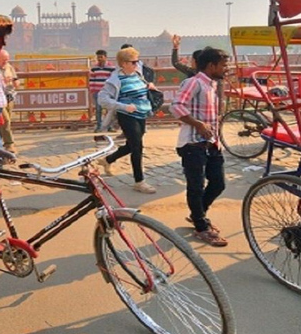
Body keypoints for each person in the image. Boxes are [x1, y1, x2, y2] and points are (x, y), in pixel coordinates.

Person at [170, 47, 230, 247]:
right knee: (195, 187)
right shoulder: (194, 82)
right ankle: (201, 226)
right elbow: (176, 106)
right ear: (211, 65)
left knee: (218, 183)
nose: (226, 69)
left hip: (211, 143)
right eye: (223, 65)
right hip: (193, 143)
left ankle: (198, 215)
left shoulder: (212, 85)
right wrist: (198, 124)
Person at [97, 47, 157, 194]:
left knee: (131, 145)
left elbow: (141, 89)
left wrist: (149, 86)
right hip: (127, 116)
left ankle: (108, 160)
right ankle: (139, 181)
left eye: (137, 61)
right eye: (133, 62)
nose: (137, 64)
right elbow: (102, 99)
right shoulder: (115, 80)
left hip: (141, 114)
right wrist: (123, 106)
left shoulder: (137, 74)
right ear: (123, 63)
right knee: (137, 147)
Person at [0, 50, 18, 152]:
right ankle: (9, 144)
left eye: (7, 60)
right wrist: (3, 82)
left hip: (10, 96)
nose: (6, 62)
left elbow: (15, 78)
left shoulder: (9, 66)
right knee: (6, 121)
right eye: (3, 60)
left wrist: (16, 82)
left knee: (4, 122)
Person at [88, 49, 116, 132]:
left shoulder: (111, 68)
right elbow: (92, 79)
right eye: (98, 57)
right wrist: (92, 90)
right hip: (97, 91)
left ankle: (109, 126)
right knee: (98, 110)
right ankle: (99, 126)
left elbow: (113, 79)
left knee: (110, 110)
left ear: (105, 57)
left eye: (101, 57)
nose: (99, 59)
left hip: (108, 92)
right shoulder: (94, 68)